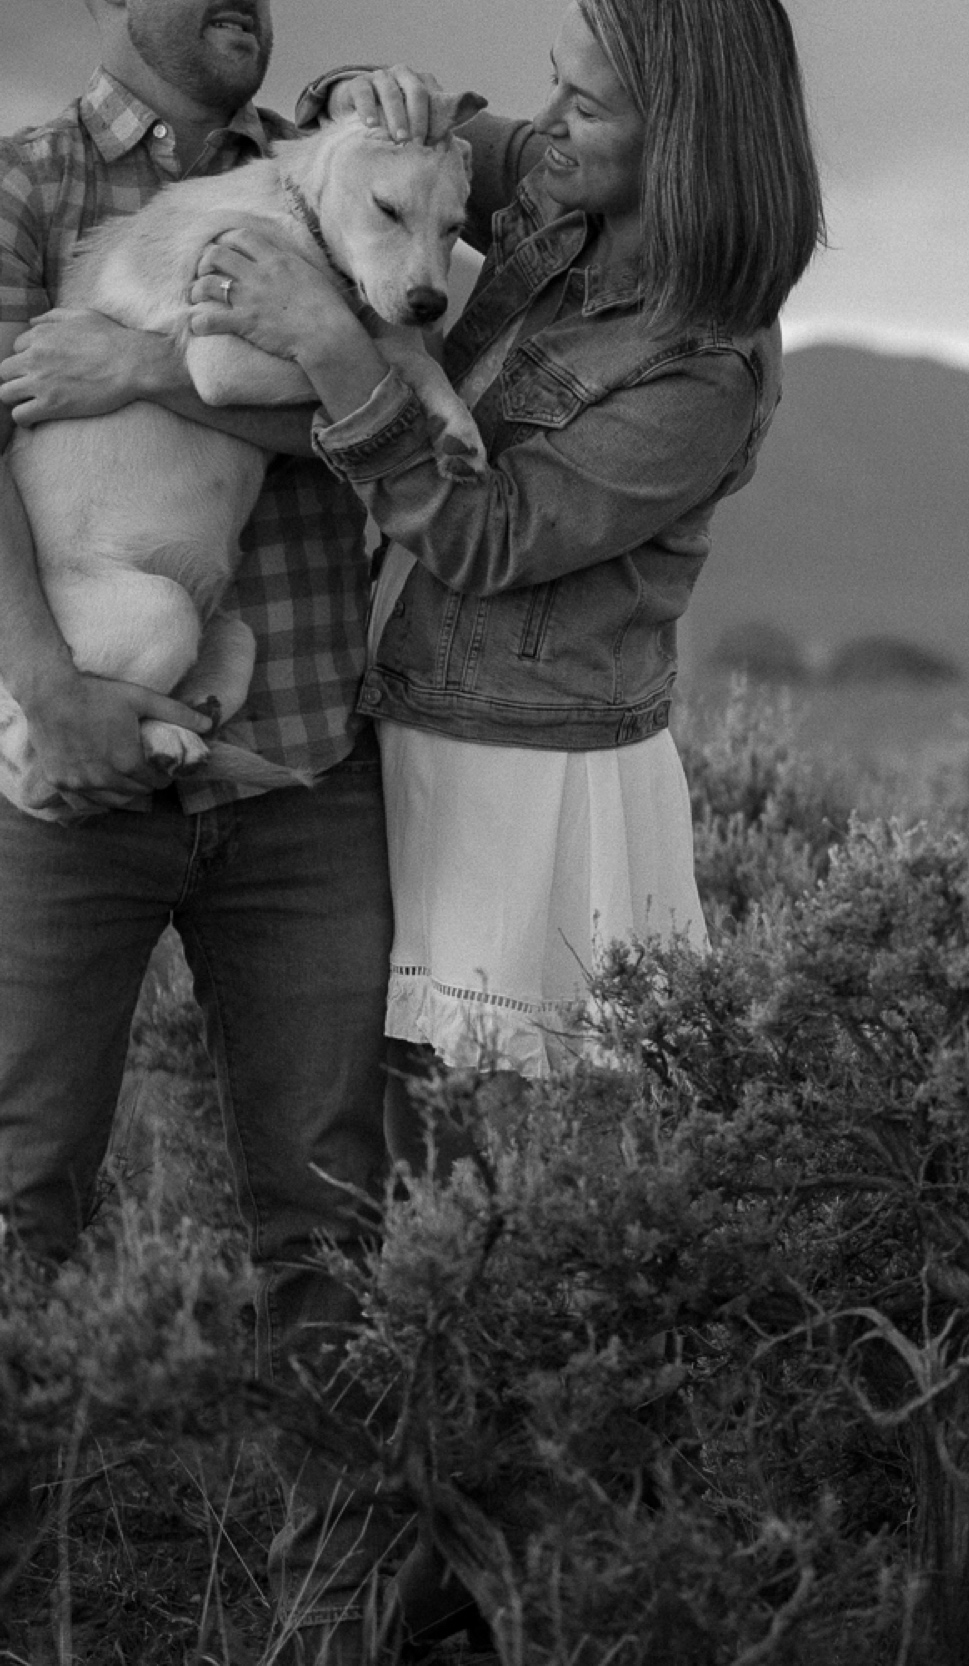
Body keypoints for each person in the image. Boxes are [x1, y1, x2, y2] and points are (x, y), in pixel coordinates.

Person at [192, 2, 821, 1138]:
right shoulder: (559, 183)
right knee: (377, 1142)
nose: (551, 120)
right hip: (401, 728)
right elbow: (386, 140)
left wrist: (334, 351)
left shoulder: (703, 365)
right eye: (555, 84)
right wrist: (361, 94)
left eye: (587, 103)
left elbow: (490, 539)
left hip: (533, 779)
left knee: (500, 1154)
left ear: (681, 135)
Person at [0, 0, 394, 1652]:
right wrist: (47, 682)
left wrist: (156, 364)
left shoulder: (328, 181)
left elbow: (372, 416)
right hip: (65, 781)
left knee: (330, 1213)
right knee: (20, 1197)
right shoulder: (24, 191)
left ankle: (351, 1599)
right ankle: (22, 1590)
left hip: (300, 766)